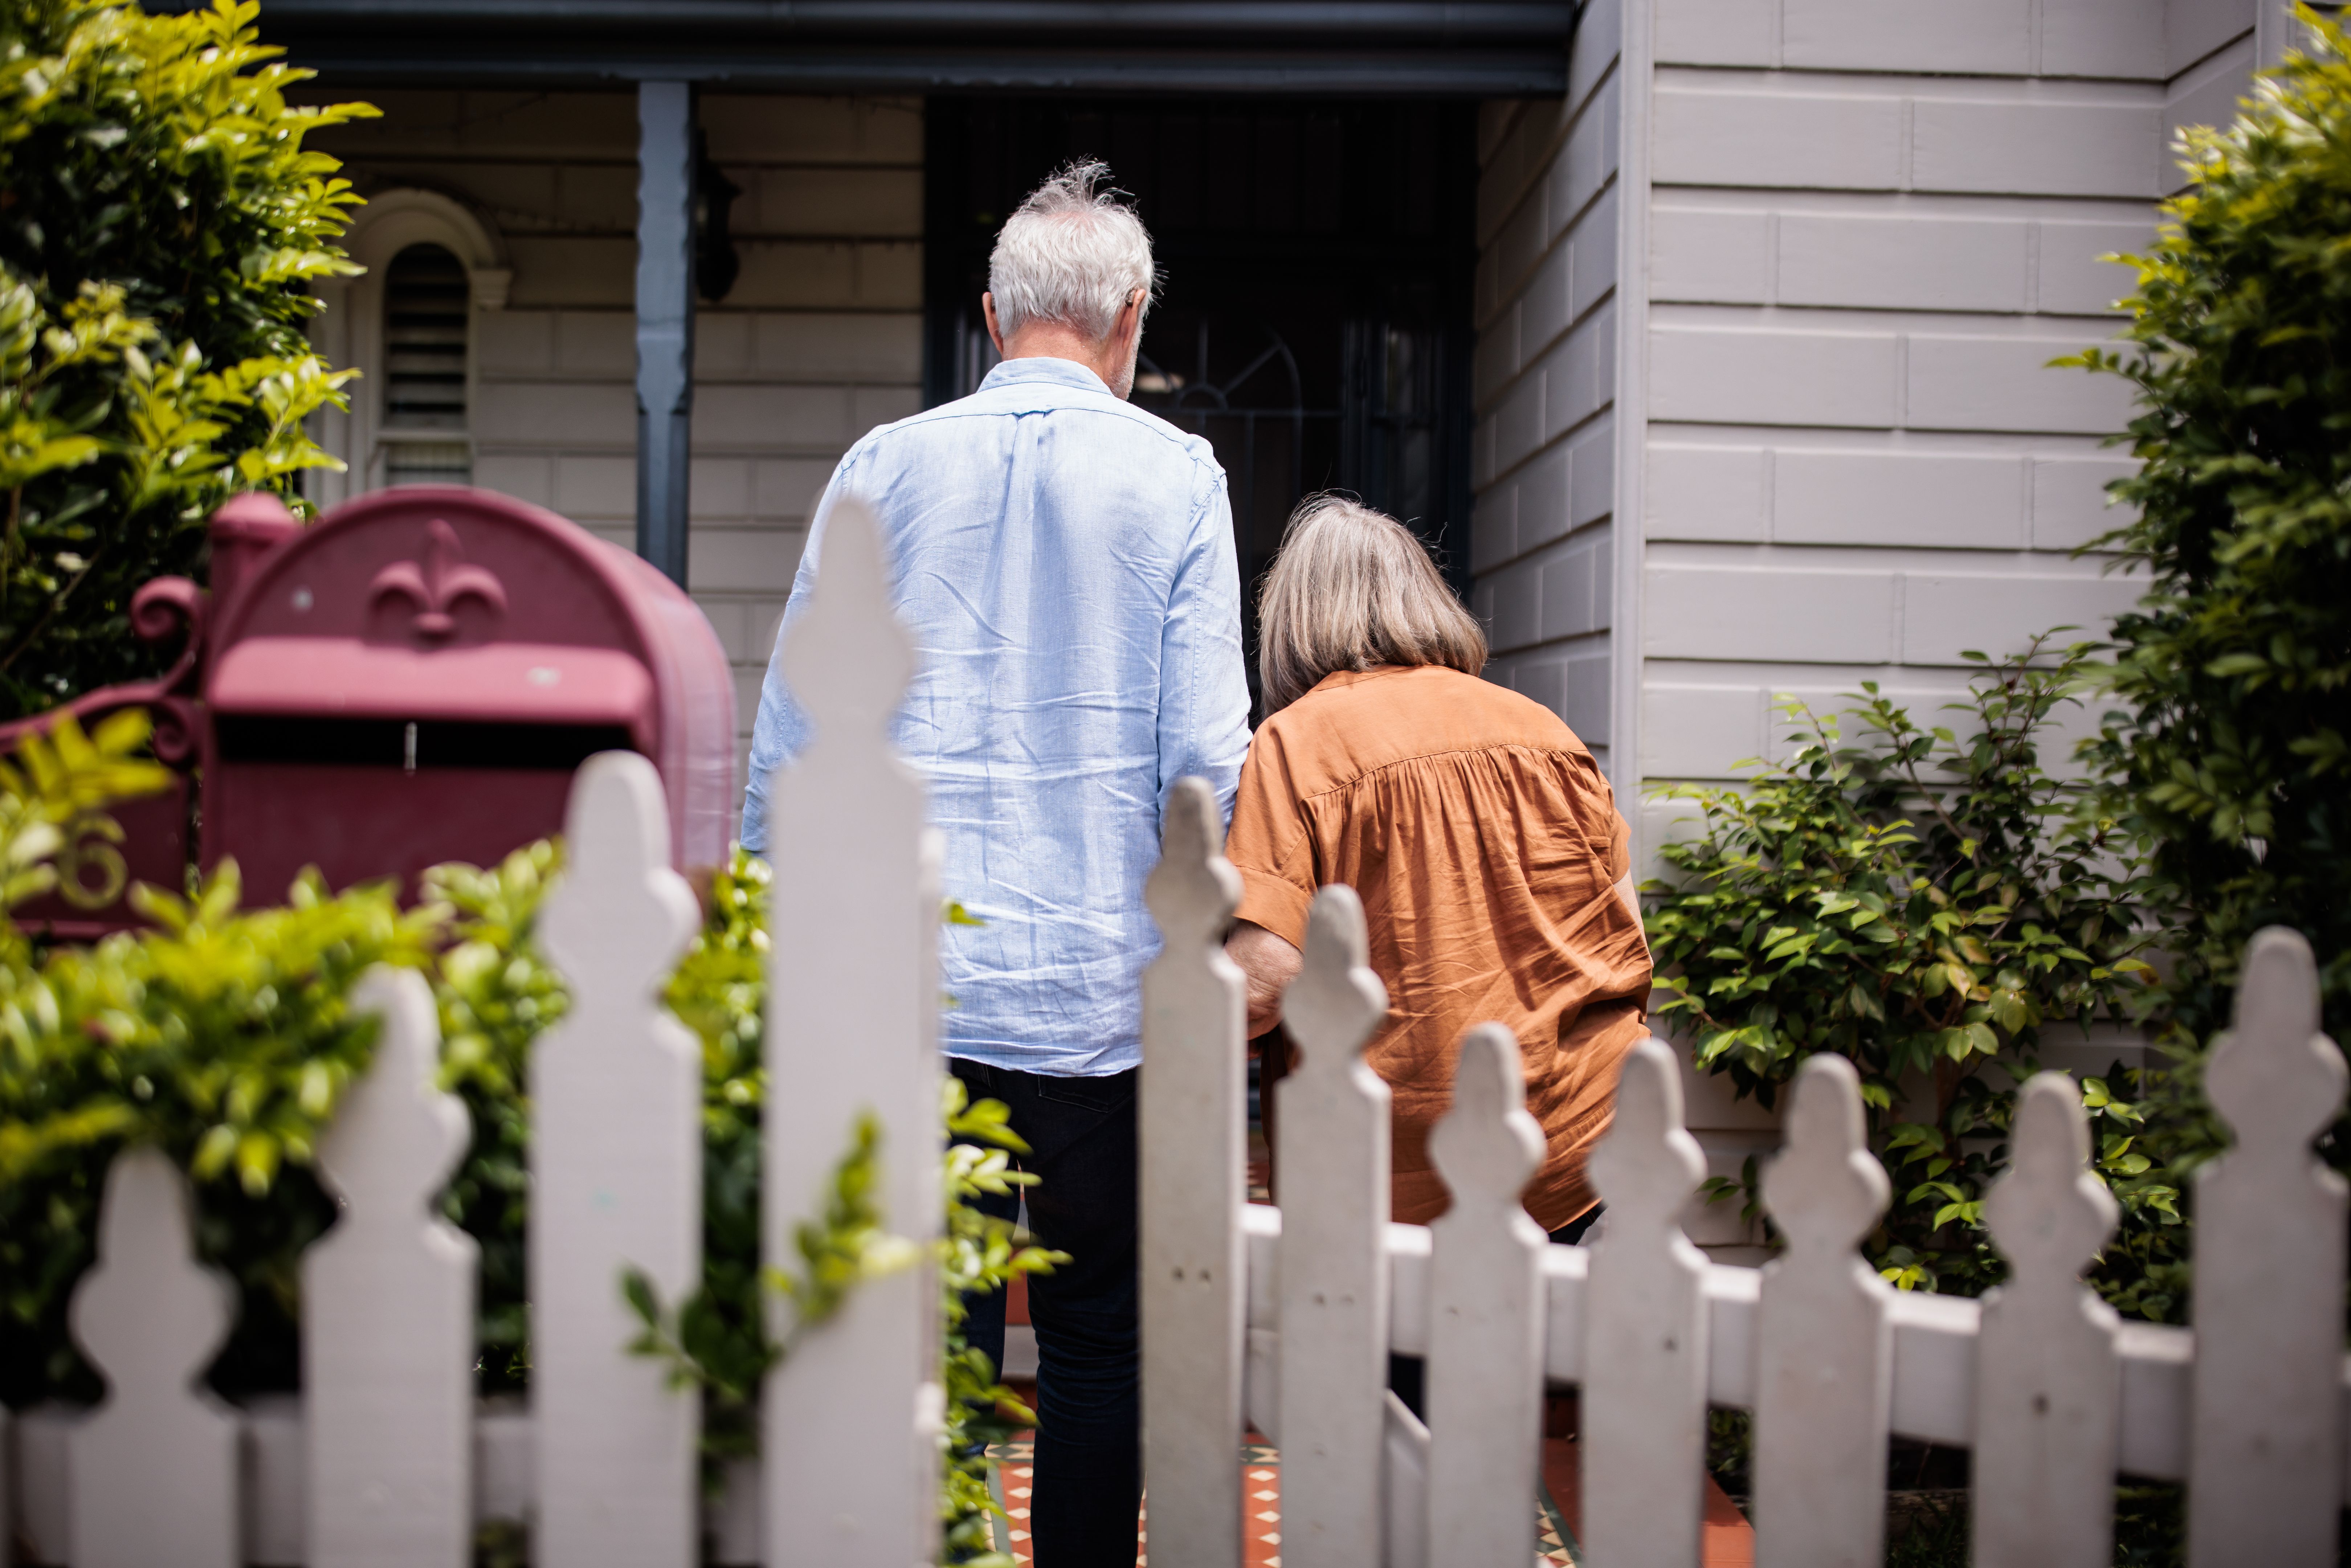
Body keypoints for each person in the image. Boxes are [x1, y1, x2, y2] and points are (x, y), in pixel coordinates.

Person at [740, 160, 1250, 1564]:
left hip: (908, 999)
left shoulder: (881, 471)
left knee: (932, 1349)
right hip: (1102, 1001)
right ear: (1130, 319)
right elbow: (1206, 762)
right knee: (1094, 1342)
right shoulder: (1179, 476)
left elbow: (793, 742)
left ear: (986, 314)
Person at [1221, 497, 1652, 1407]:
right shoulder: (1542, 730)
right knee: (1509, 1429)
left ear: (1292, 623)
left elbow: (1263, 982)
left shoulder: (1294, 746)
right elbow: (1626, 931)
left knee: (1396, 1452)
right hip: (1578, 1142)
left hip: (1399, 1178)